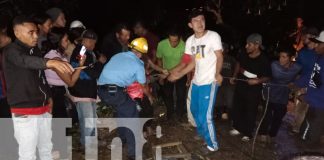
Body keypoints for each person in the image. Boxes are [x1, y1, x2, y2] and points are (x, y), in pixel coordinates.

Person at [2, 15, 73, 160]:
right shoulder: (11, 51)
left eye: (36, 32)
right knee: (28, 155)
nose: (36, 36)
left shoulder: (35, 51)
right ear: (17, 33)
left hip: (43, 108)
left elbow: (41, 77)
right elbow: (25, 61)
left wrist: (49, 96)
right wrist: (50, 63)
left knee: (46, 149)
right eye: (30, 32)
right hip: (25, 111)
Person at [168, 9, 223, 152]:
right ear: (190, 25)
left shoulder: (213, 36)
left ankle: (212, 145)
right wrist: (176, 71)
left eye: (202, 19)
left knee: (205, 115)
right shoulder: (190, 41)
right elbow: (190, 62)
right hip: (196, 81)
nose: (200, 23)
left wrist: (217, 74)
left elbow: (220, 56)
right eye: (196, 20)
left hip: (209, 81)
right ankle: (202, 133)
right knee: (194, 110)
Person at [98, 37, 149, 160]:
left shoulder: (118, 56)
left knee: (122, 112)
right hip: (114, 91)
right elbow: (143, 86)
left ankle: (123, 138)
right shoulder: (138, 63)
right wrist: (150, 97)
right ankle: (134, 154)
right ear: (141, 53)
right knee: (133, 117)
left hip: (101, 90)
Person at [68, 29, 105, 152]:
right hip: (82, 92)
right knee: (88, 118)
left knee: (89, 118)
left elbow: (89, 71)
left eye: (93, 42)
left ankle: (88, 143)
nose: (92, 45)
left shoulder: (87, 52)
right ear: (84, 40)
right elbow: (90, 73)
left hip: (86, 91)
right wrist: (100, 63)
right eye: (90, 41)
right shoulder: (82, 51)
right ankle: (89, 147)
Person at [229, 33, 271, 142]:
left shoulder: (264, 59)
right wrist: (234, 76)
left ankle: (248, 133)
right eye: (247, 44)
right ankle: (238, 128)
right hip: (241, 85)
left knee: (250, 111)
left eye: (249, 44)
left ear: (257, 45)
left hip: (253, 90)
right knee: (237, 107)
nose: (246, 46)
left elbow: (267, 77)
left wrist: (257, 81)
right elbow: (238, 64)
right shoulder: (243, 53)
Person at [259, 47, 301, 143]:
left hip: (283, 96)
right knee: (267, 115)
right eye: (280, 56)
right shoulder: (274, 65)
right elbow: (273, 75)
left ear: (291, 58)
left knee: (278, 117)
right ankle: (262, 134)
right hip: (270, 93)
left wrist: (295, 83)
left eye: (284, 57)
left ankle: (272, 135)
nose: (280, 59)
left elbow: (300, 77)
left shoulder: (297, 67)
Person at [156, 26, 186, 120]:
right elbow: (159, 59)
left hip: (180, 73)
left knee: (180, 95)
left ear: (180, 38)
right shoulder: (161, 44)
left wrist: (168, 72)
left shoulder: (184, 45)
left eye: (175, 41)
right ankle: (170, 113)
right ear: (168, 37)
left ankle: (179, 114)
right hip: (166, 73)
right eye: (171, 41)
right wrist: (161, 72)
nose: (173, 43)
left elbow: (183, 63)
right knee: (167, 94)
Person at [300, 31, 324, 149]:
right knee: (307, 130)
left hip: (320, 105)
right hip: (315, 101)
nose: (315, 46)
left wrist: (308, 96)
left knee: (313, 133)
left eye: (318, 44)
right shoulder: (320, 58)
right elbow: (314, 78)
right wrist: (297, 84)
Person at [214, 43, 236, 120]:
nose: (221, 50)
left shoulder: (231, 59)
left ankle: (229, 116)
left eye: (223, 48)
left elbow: (236, 67)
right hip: (218, 82)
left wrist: (234, 76)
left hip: (228, 83)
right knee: (218, 99)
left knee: (229, 100)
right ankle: (219, 114)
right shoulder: (215, 58)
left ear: (227, 50)